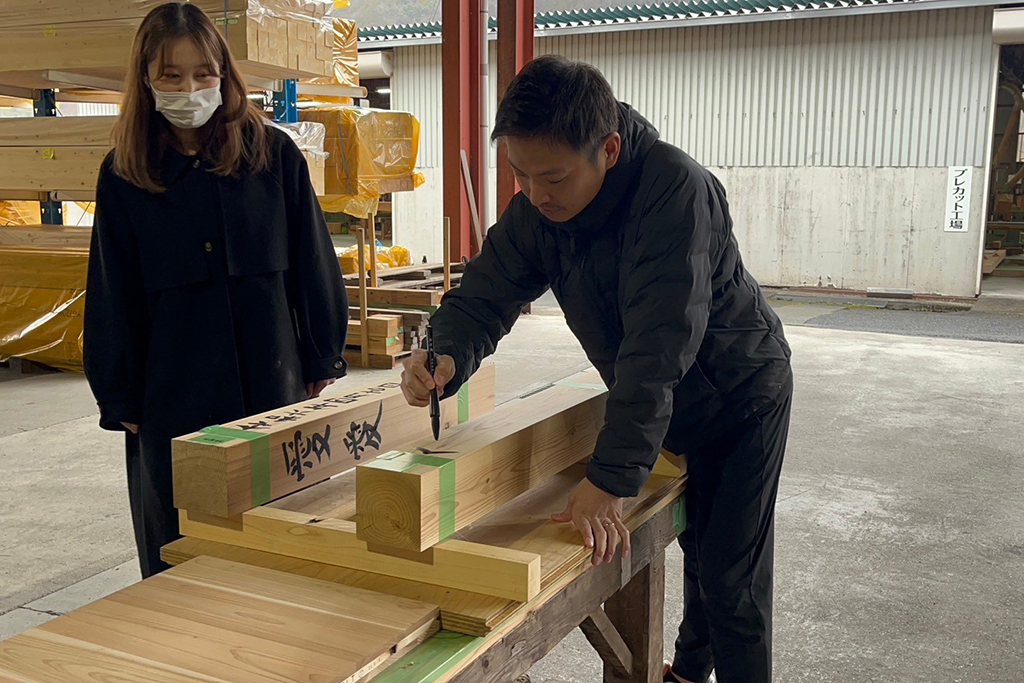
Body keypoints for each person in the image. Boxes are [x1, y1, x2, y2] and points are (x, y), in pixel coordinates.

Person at [399, 55, 792, 683]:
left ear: (608, 149)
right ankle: (689, 672)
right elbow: (484, 294)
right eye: (520, 175)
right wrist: (446, 353)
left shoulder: (674, 192)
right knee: (701, 546)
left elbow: (657, 351)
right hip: (668, 403)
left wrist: (610, 480)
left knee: (733, 583)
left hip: (739, 394)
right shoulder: (538, 213)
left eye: (552, 176)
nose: (534, 193)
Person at [83, 2, 348, 578]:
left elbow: (312, 260)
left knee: (280, 542)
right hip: (172, 396)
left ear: (225, 74)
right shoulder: (126, 174)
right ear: (147, 79)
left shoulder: (273, 156)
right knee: (182, 549)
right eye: (171, 75)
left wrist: (322, 352)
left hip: (270, 386)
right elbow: (111, 292)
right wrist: (121, 398)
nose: (190, 88)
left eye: (204, 72)